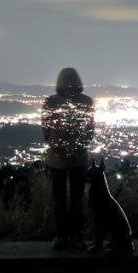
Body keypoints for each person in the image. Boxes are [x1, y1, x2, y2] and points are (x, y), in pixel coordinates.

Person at [41, 68, 95, 250]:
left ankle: (68, 236)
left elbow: (46, 130)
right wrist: (73, 148)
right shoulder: (85, 102)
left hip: (63, 158)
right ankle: (69, 236)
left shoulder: (52, 102)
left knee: (69, 199)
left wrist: (60, 148)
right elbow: (89, 130)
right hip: (70, 158)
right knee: (67, 199)